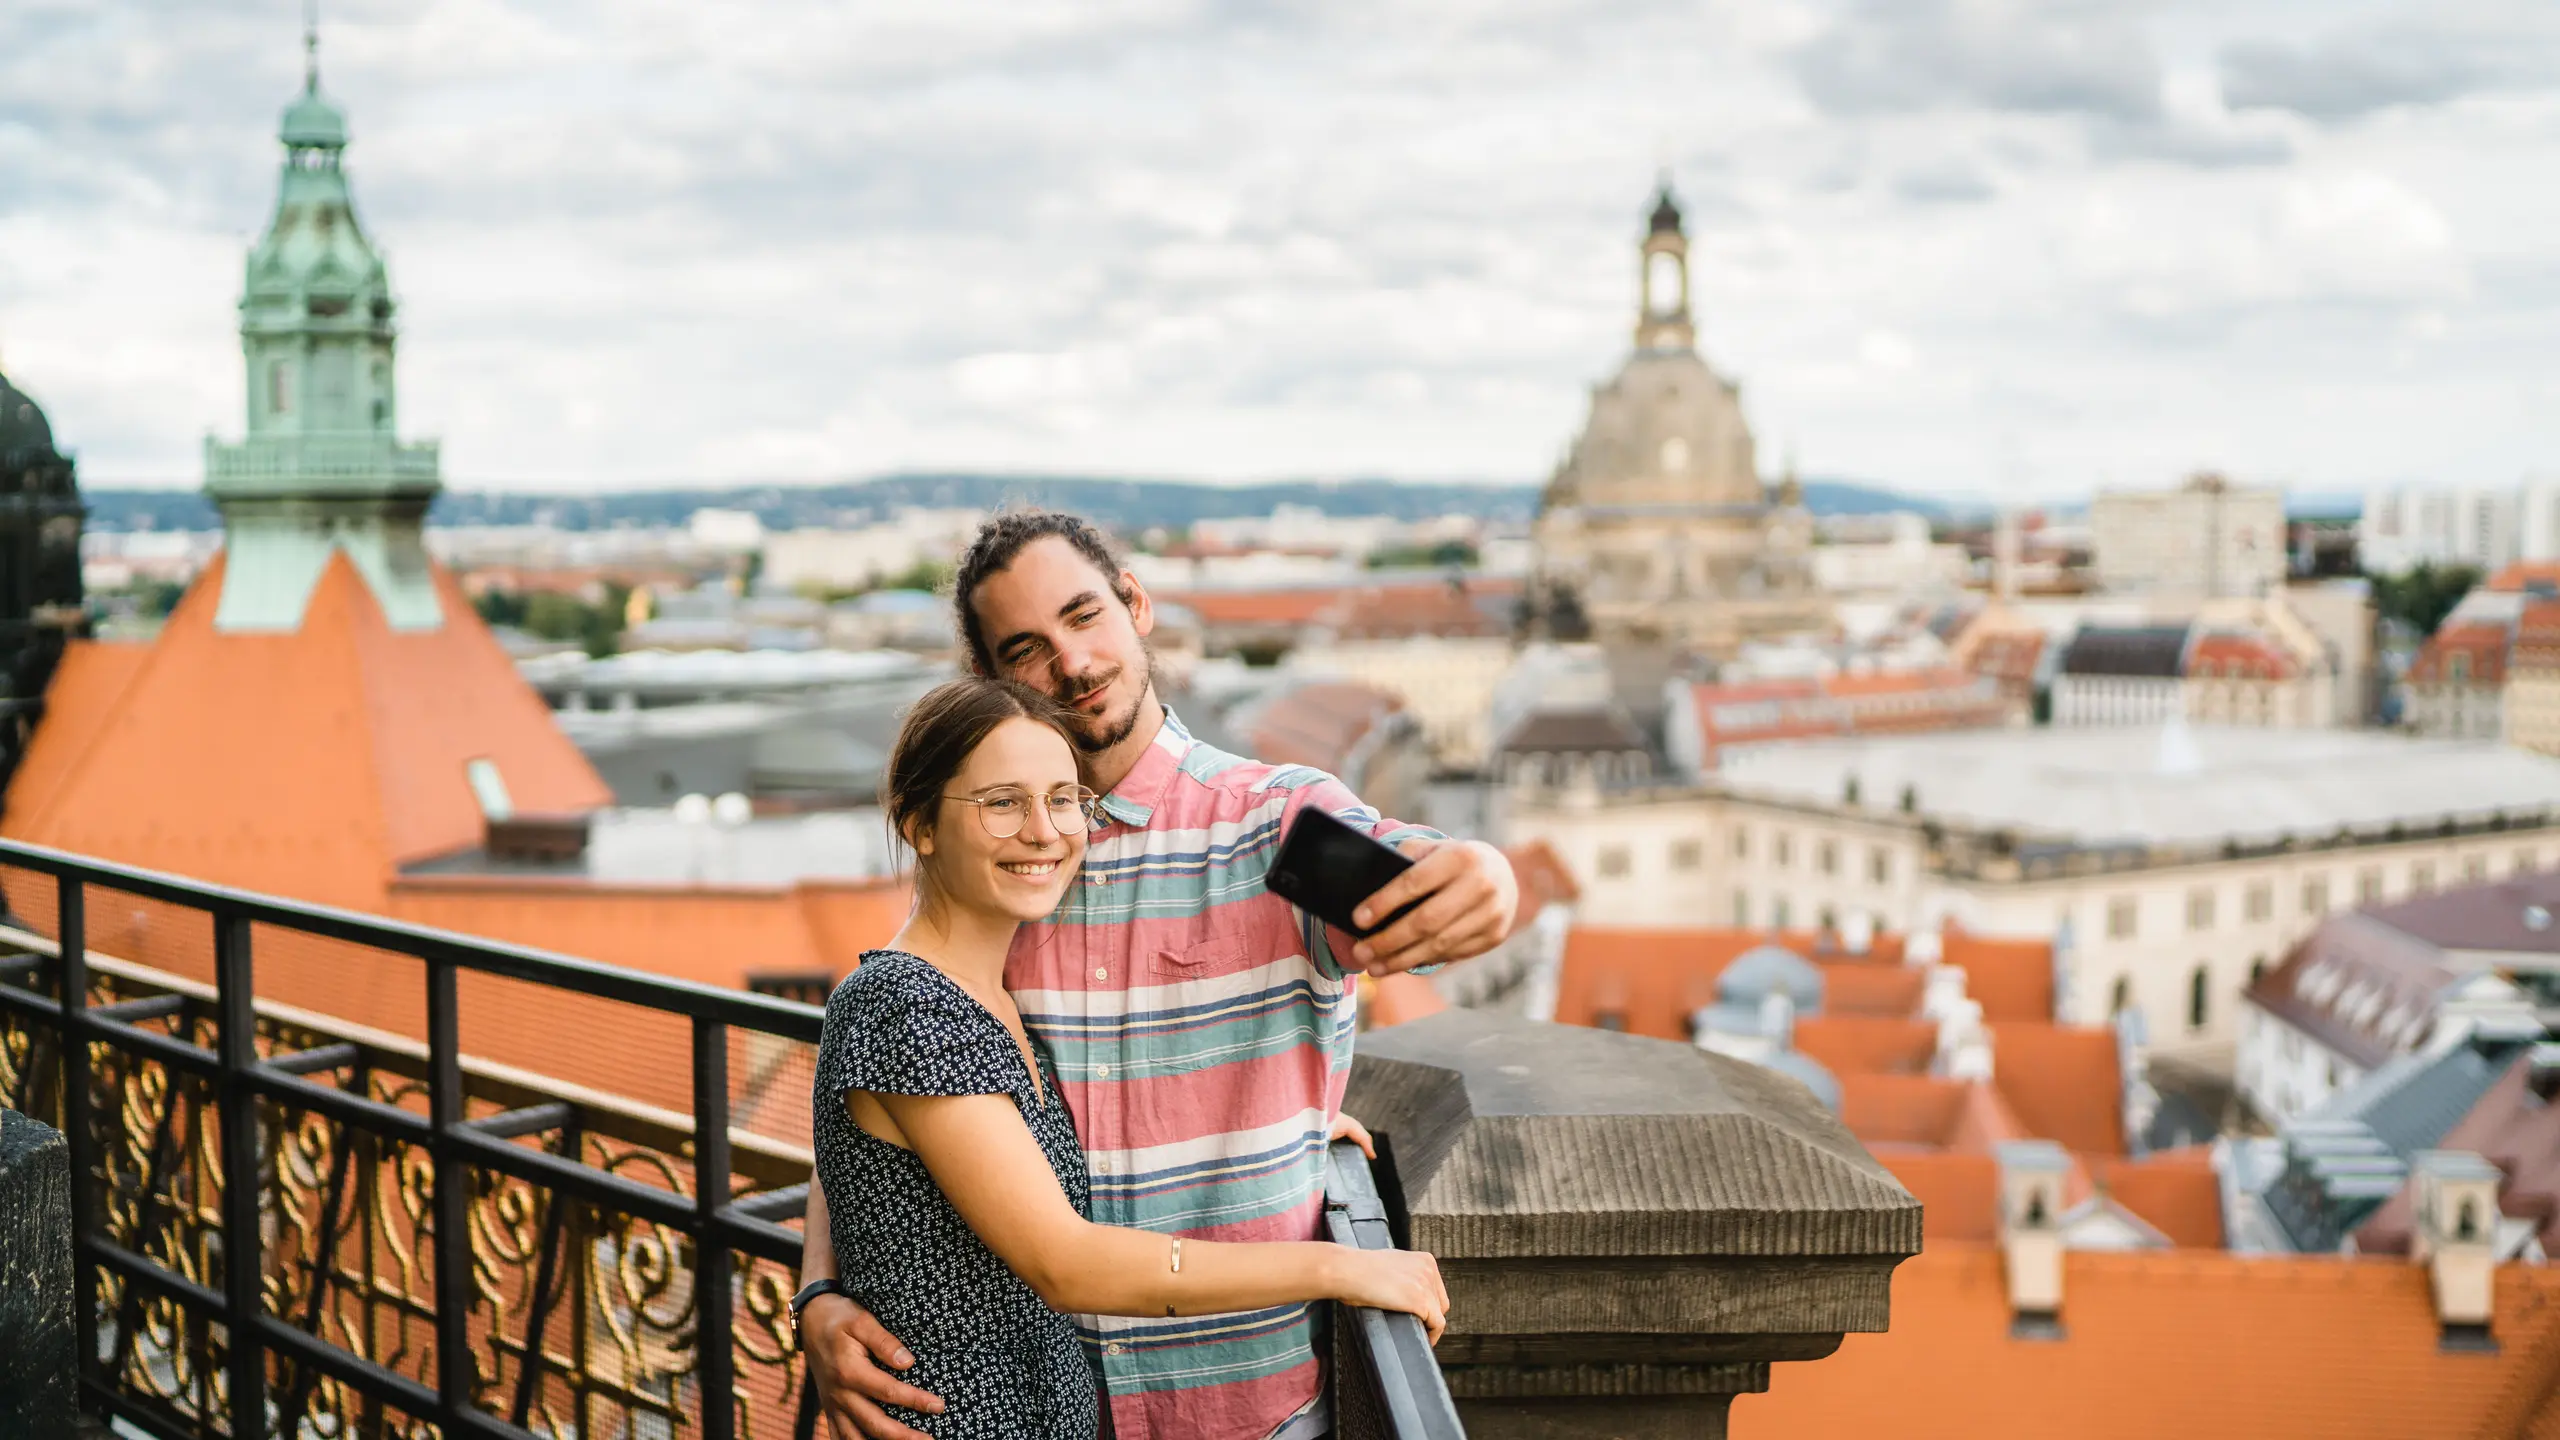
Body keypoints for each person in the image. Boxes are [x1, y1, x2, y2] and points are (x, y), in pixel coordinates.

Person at [800, 512, 1520, 1440]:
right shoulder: (1011, 865)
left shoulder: (1269, 821)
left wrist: (1486, 880)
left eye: (1084, 615)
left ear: (1134, 604)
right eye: (1027, 648)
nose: (1072, 663)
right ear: (991, 682)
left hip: (1243, 1408)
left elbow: (1421, 874)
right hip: (1059, 1403)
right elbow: (886, 1111)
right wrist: (820, 1289)